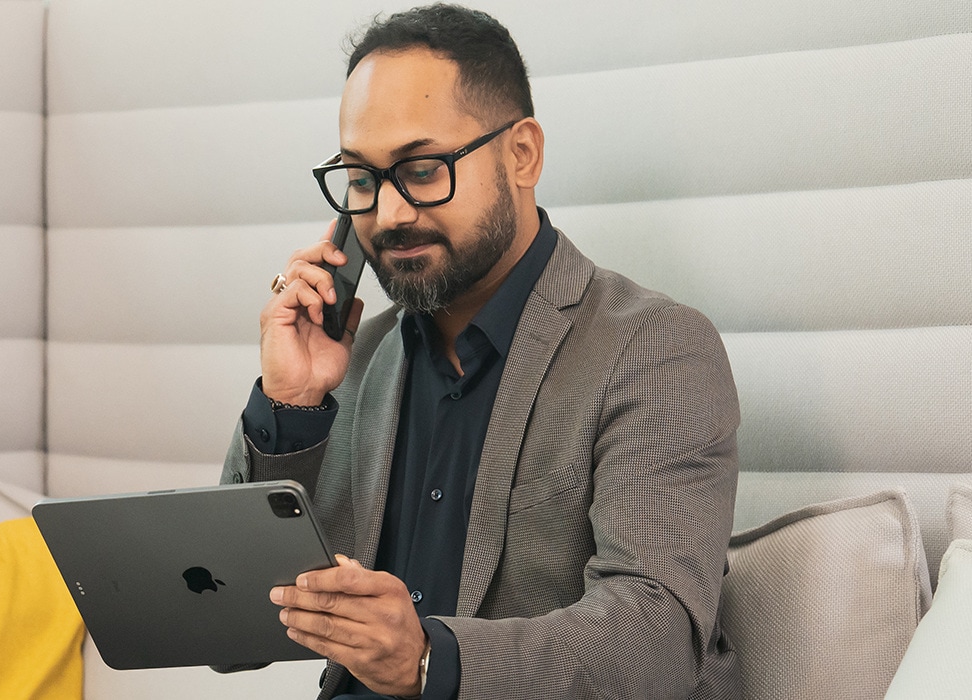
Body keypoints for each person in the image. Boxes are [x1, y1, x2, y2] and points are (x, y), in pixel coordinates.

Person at [217, 5, 742, 698]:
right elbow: (225, 630)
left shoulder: (651, 347)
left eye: (424, 168)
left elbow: (656, 640)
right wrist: (290, 407)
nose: (390, 215)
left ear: (521, 154)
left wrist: (428, 660)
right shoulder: (351, 362)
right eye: (364, 179)